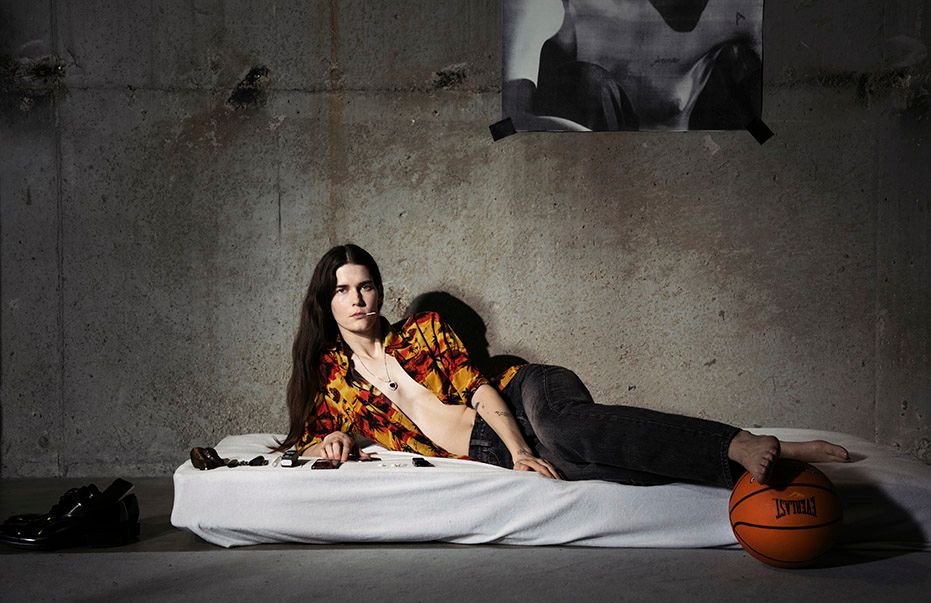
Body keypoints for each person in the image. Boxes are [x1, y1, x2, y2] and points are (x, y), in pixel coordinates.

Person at [275, 243, 850, 486]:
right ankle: (770, 459)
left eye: (366, 285)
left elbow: (480, 391)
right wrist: (336, 439)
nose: (358, 299)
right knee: (595, 465)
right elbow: (309, 439)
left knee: (561, 428)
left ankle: (739, 442)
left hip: (523, 393)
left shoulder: (423, 330)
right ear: (327, 301)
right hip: (485, 448)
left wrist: (520, 450)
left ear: (380, 291)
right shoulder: (333, 377)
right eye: (343, 290)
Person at [503, 0, 763, 131]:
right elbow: (501, 127)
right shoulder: (554, 6)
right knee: (588, 82)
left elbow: (772, 133)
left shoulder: (739, 12)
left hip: (673, 181)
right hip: (584, 178)